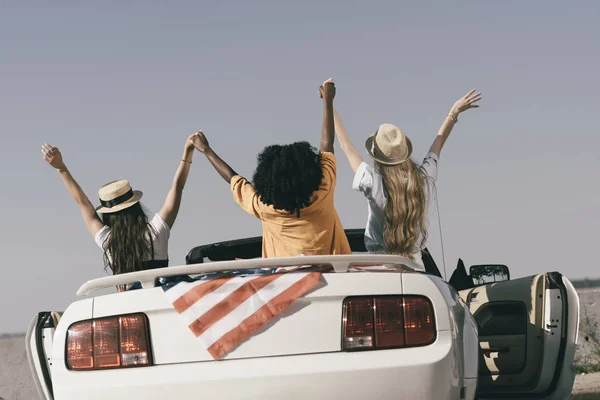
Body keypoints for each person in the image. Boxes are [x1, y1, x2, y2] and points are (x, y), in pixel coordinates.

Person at [192, 79, 351, 258]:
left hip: (286, 283)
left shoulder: (264, 207)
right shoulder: (324, 188)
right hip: (335, 278)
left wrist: (206, 150)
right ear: (309, 173)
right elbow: (326, 144)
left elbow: (233, 178)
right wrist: (328, 99)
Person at [333, 89, 482, 269]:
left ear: (376, 158)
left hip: (379, 272)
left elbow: (346, 145)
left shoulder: (372, 182)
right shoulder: (424, 178)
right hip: (417, 273)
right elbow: (439, 143)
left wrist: (328, 103)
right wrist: (454, 112)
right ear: (404, 153)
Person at [41, 132, 200, 288]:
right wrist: (188, 151)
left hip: (129, 310)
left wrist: (61, 168)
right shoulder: (156, 231)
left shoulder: (108, 241)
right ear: (136, 206)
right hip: (161, 300)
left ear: (108, 215)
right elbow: (177, 187)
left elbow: (83, 203)